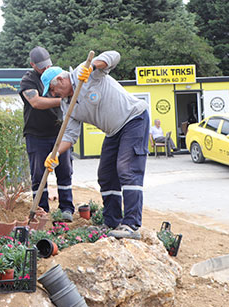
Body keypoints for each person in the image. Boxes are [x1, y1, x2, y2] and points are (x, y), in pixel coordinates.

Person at [42, 51, 150, 239]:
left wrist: (92, 67)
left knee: (127, 169)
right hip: (113, 131)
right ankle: (112, 221)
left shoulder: (83, 72)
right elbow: (70, 135)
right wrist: (54, 154)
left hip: (133, 119)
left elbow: (114, 56)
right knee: (106, 175)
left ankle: (131, 224)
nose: (53, 95)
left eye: (52, 90)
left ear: (60, 80)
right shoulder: (67, 106)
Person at [19, 46, 74, 221]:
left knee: (65, 171)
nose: (45, 69)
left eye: (47, 65)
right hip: (36, 134)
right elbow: (35, 102)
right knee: (38, 174)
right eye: (41, 67)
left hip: (59, 133)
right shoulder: (28, 80)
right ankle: (42, 210)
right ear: (32, 65)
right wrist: (64, 101)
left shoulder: (58, 75)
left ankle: (67, 209)